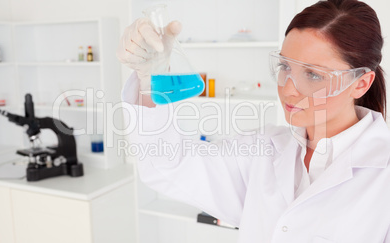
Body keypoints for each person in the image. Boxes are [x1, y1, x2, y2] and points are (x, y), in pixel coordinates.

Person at [117, 0, 390, 242]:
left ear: (361, 83)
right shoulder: (264, 149)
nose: (289, 88)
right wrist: (149, 78)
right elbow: (167, 165)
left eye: (314, 74)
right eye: (285, 67)